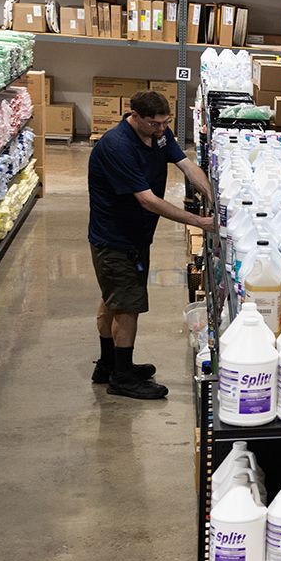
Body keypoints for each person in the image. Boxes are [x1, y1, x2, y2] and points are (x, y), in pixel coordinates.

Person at [89, 90, 215, 400]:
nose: (161, 129)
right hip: (116, 238)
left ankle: (109, 364)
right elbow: (147, 201)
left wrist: (212, 196)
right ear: (134, 115)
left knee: (113, 299)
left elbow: (186, 165)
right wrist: (198, 222)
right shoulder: (118, 146)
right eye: (154, 124)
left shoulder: (159, 135)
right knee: (128, 307)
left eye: (165, 123)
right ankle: (122, 377)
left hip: (136, 236)